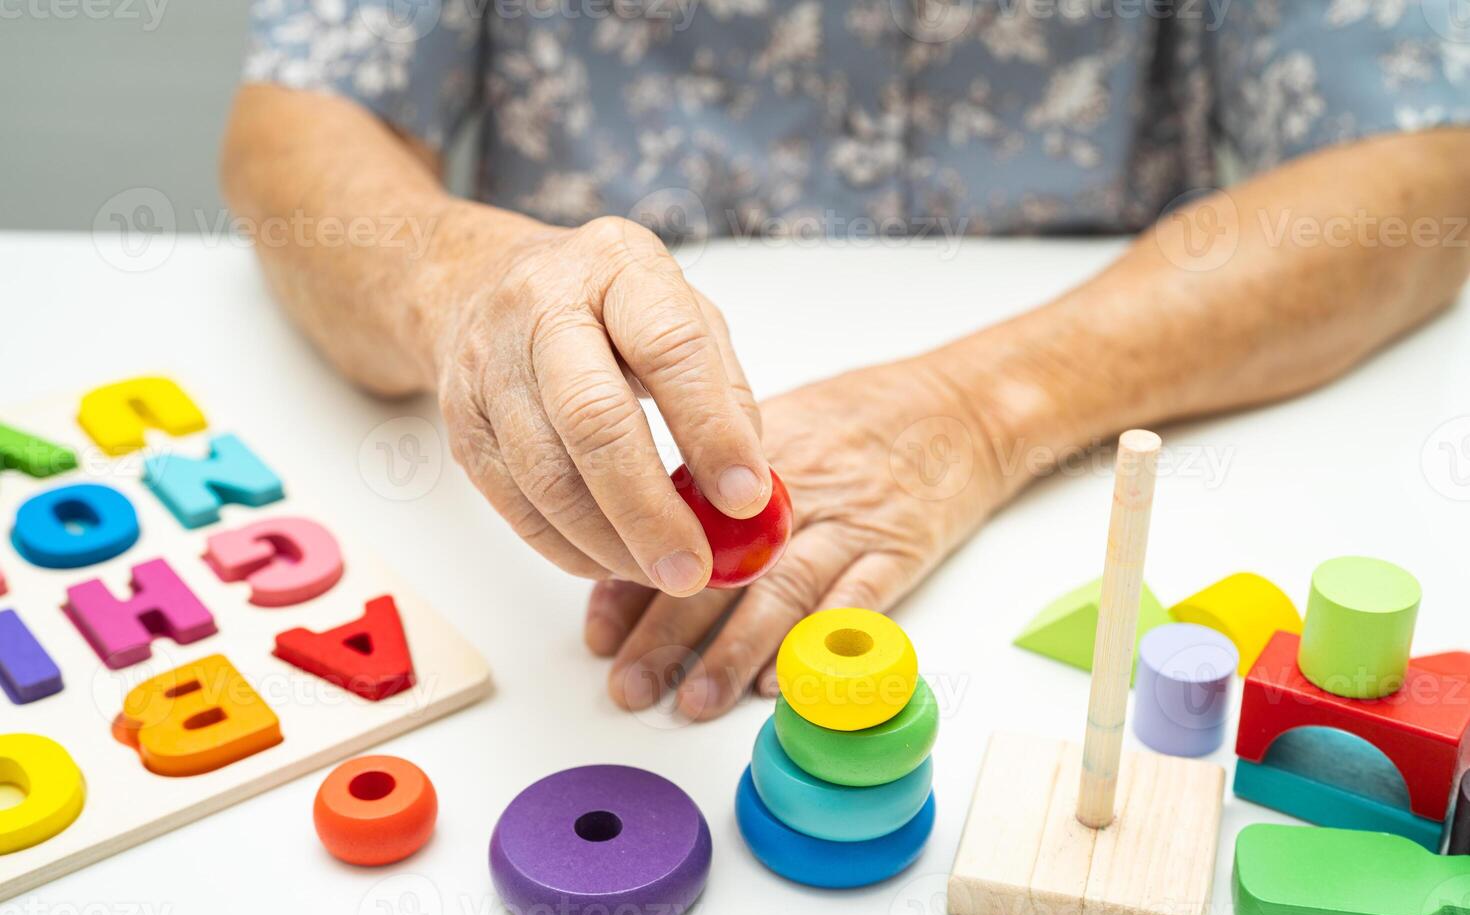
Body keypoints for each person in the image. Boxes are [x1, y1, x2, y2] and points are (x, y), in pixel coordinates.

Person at [223, 2, 1470, 720]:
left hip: (1106, 404)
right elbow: (295, 120)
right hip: (535, 564)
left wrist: (974, 410)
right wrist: (463, 286)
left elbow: (1422, 167)